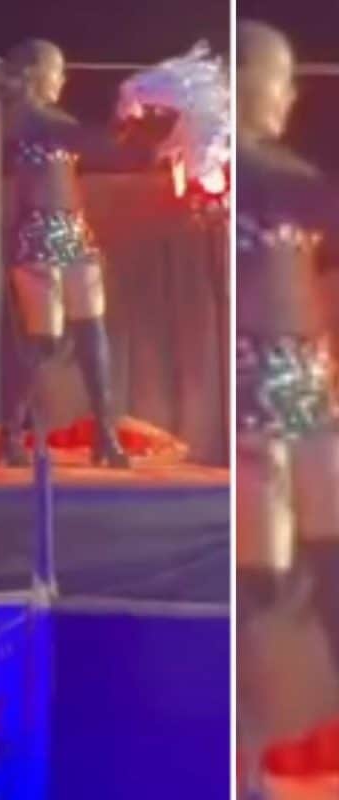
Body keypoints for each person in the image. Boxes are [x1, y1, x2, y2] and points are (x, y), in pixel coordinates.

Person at [233, 20, 339, 783]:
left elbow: (323, 286)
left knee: (326, 572)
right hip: (252, 407)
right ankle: (245, 767)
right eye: (282, 76)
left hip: (308, 397)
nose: (292, 94)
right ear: (246, 77)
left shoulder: (300, 181)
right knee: (259, 590)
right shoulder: (224, 172)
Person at [0, 40, 173, 468]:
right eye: (57, 70)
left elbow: (105, 148)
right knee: (44, 339)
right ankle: (10, 433)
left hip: (75, 232)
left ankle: (105, 435)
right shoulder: (26, 117)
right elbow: (87, 139)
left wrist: (146, 131)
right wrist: (125, 115)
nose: (63, 78)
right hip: (38, 234)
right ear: (36, 72)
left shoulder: (55, 120)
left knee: (93, 334)